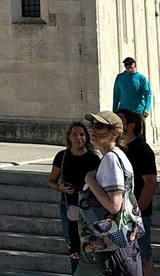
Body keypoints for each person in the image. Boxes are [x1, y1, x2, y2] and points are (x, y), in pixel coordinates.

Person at [75, 110, 143, 276]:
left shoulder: (111, 159)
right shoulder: (118, 156)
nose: (93, 130)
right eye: (92, 125)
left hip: (102, 250)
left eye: (99, 126)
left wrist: (89, 180)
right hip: (112, 244)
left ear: (115, 133)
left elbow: (114, 205)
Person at [48, 121, 100, 273]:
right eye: (75, 134)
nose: (79, 138)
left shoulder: (93, 159)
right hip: (68, 206)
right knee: (73, 245)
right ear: (69, 137)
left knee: (90, 244)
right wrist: (60, 187)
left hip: (88, 208)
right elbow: (51, 181)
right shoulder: (62, 156)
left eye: (82, 135)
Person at [118, 109, 158, 276]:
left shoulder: (143, 150)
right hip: (121, 215)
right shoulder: (120, 149)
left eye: (119, 121)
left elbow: (150, 184)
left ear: (130, 125)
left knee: (143, 256)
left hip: (138, 215)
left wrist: (137, 213)